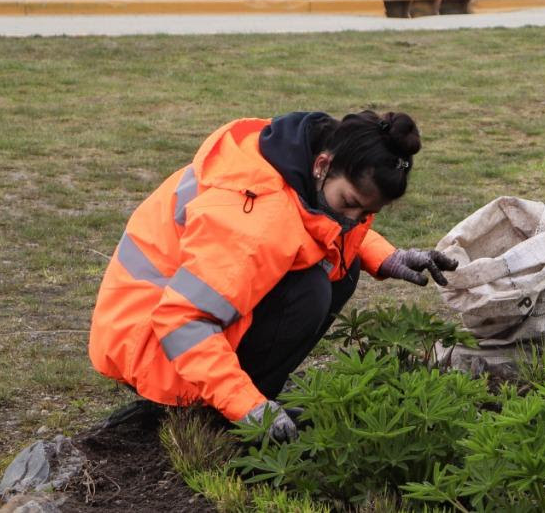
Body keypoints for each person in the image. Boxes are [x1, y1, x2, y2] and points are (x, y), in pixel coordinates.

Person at [88, 109, 457, 442]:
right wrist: (246, 405)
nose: (352, 221)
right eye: (349, 203)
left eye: (365, 214)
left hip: (170, 321)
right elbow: (182, 321)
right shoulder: (255, 218)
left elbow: (316, 226)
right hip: (151, 346)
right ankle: (225, 414)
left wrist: (388, 257)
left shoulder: (296, 157)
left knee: (342, 272)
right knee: (310, 291)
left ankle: (244, 396)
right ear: (323, 165)